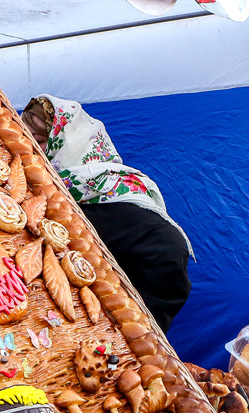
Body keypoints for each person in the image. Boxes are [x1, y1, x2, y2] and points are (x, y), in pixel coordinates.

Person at [22, 95, 192, 331]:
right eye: (24, 135)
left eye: (39, 140)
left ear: (71, 147)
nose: (28, 147)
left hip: (108, 337)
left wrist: (124, 327)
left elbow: (170, 250)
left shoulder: (112, 195)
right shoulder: (34, 187)